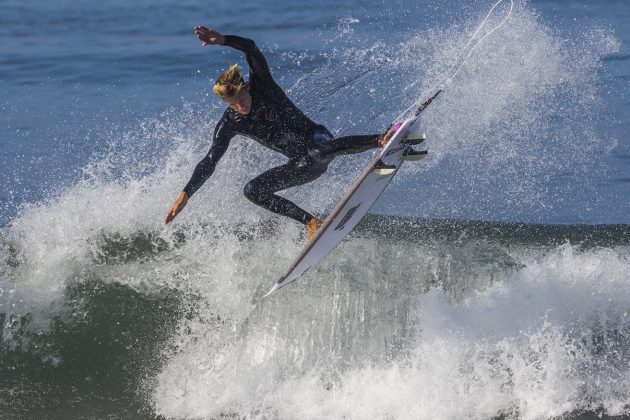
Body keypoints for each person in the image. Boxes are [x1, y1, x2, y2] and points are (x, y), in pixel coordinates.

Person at [164, 26, 394, 240]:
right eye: (233, 105)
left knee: (316, 150)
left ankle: (380, 139)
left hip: (317, 138)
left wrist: (223, 40)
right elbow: (210, 160)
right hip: (302, 165)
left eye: (242, 99)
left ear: (246, 87)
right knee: (252, 190)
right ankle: (312, 222)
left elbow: (251, 48)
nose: (240, 107)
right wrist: (186, 193)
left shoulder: (263, 85)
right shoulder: (231, 122)